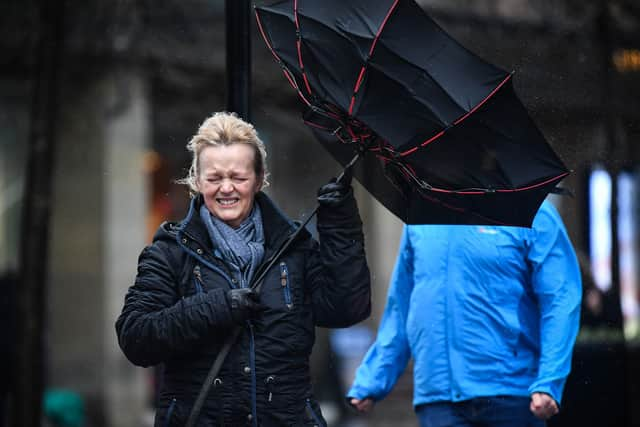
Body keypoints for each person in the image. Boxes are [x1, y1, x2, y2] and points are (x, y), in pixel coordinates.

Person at [115, 112, 371, 426]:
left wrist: (341, 226)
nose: (226, 189)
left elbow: (347, 309)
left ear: (260, 178)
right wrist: (215, 307)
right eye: (213, 178)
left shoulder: (294, 246)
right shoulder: (169, 252)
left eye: (238, 177)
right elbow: (136, 338)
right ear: (196, 180)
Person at [347, 200, 581, 427]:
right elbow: (402, 305)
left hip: (511, 392)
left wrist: (549, 380)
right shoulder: (420, 217)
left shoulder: (531, 211)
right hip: (438, 396)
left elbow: (560, 300)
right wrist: (374, 379)